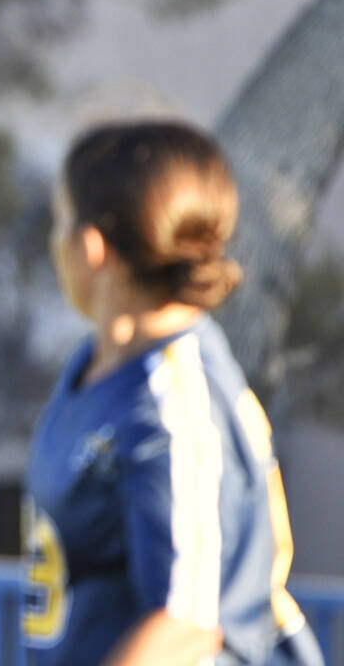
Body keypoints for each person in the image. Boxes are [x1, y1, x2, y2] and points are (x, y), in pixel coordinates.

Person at [21, 120, 324, 666]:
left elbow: (185, 626)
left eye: (61, 219)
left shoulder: (177, 402)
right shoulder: (100, 367)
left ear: (93, 247)